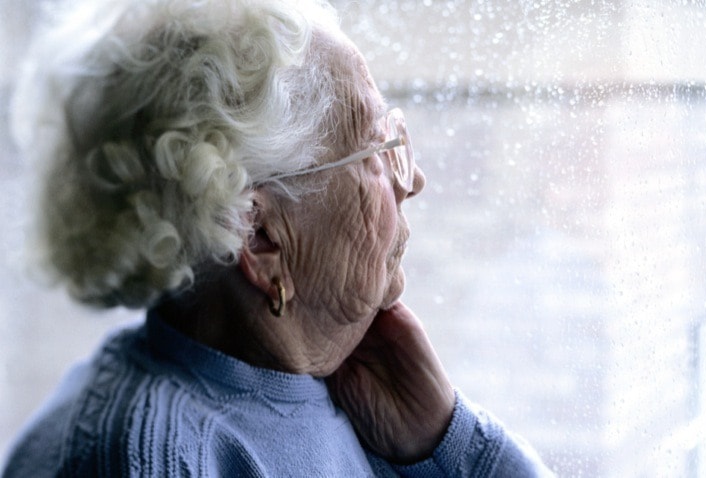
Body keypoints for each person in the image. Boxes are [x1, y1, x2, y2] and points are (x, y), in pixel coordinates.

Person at [2, 0, 554, 476]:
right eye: (374, 150)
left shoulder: (350, 392)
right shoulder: (156, 457)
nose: (412, 180)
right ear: (262, 238)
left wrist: (442, 441)